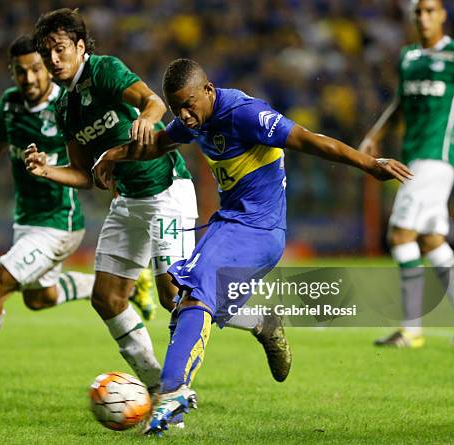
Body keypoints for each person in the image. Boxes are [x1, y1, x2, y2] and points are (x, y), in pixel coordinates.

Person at [91, 58, 412, 434]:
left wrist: (368, 163)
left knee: (194, 293)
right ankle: (262, 324)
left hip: (258, 228)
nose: (184, 115)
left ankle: (173, 393)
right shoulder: (195, 119)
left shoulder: (245, 114)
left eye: (189, 104)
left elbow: (308, 139)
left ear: (208, 90)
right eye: (176, 107)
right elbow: (158, 144)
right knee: (186, 306)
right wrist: (113, 154)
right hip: (233, 224)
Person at [26, 9, 289, 395]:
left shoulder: (104, 71)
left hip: (167, 191)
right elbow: (86, 175)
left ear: (80, 48)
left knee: (175, 297)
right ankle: (154, 388)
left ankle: (260, 322)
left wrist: (147, 119)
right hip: (127, 201)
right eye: (47, 52)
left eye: (60, 48)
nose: (53, 59)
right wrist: (47, 169)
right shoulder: (65, 109)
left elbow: (153, 102)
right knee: (106, 297)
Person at [0, 35, 154, 388]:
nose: (29, 79)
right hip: (26, 221)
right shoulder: (9, 103)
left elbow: (90, 159)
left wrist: (62, 166)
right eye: (21, 72)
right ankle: (130, 284)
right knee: (39, 298)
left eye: (35, 69)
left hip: (58, 223)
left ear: (47, 67)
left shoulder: (69, 103)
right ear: (11, 73)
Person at [360, 0, 454, 348]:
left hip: (436, 157)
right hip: (415, 156)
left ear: (442, 15)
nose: (423, 17)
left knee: (400, 233)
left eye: (430, 10)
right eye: (418, 12)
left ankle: (411, 330)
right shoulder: (409, 57)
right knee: (431, 240)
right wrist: (375, 134)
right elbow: (401, 103)